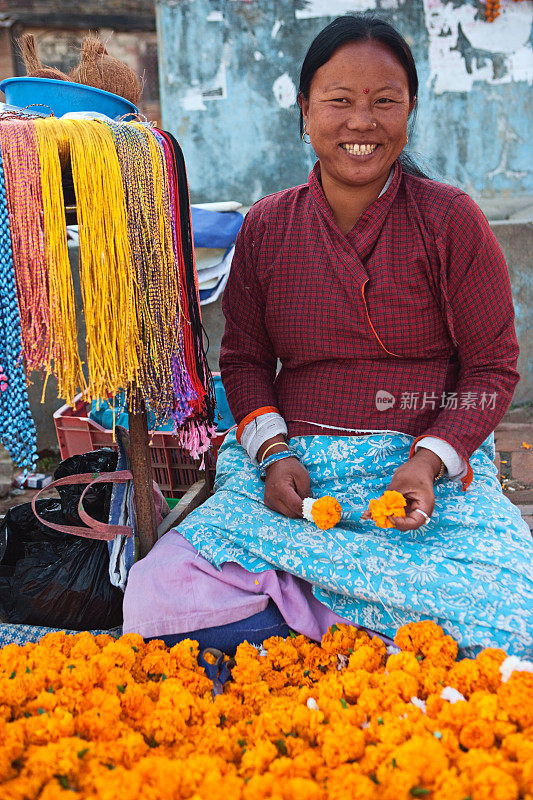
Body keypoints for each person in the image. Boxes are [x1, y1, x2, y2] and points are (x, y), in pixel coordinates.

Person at [123, 15, 533, 658]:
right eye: (339, 101)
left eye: (385, 101)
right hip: (296, 474)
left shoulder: (452, 221)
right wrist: (272, 456)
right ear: (305, 109)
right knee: (157, 595)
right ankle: (349, 634)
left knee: (515, 616)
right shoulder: (267, 227)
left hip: (418, 478)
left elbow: (492, 370)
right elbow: (247, 361)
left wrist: (429, 464)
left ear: (411, 109)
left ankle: (312, 633)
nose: (361, 123)